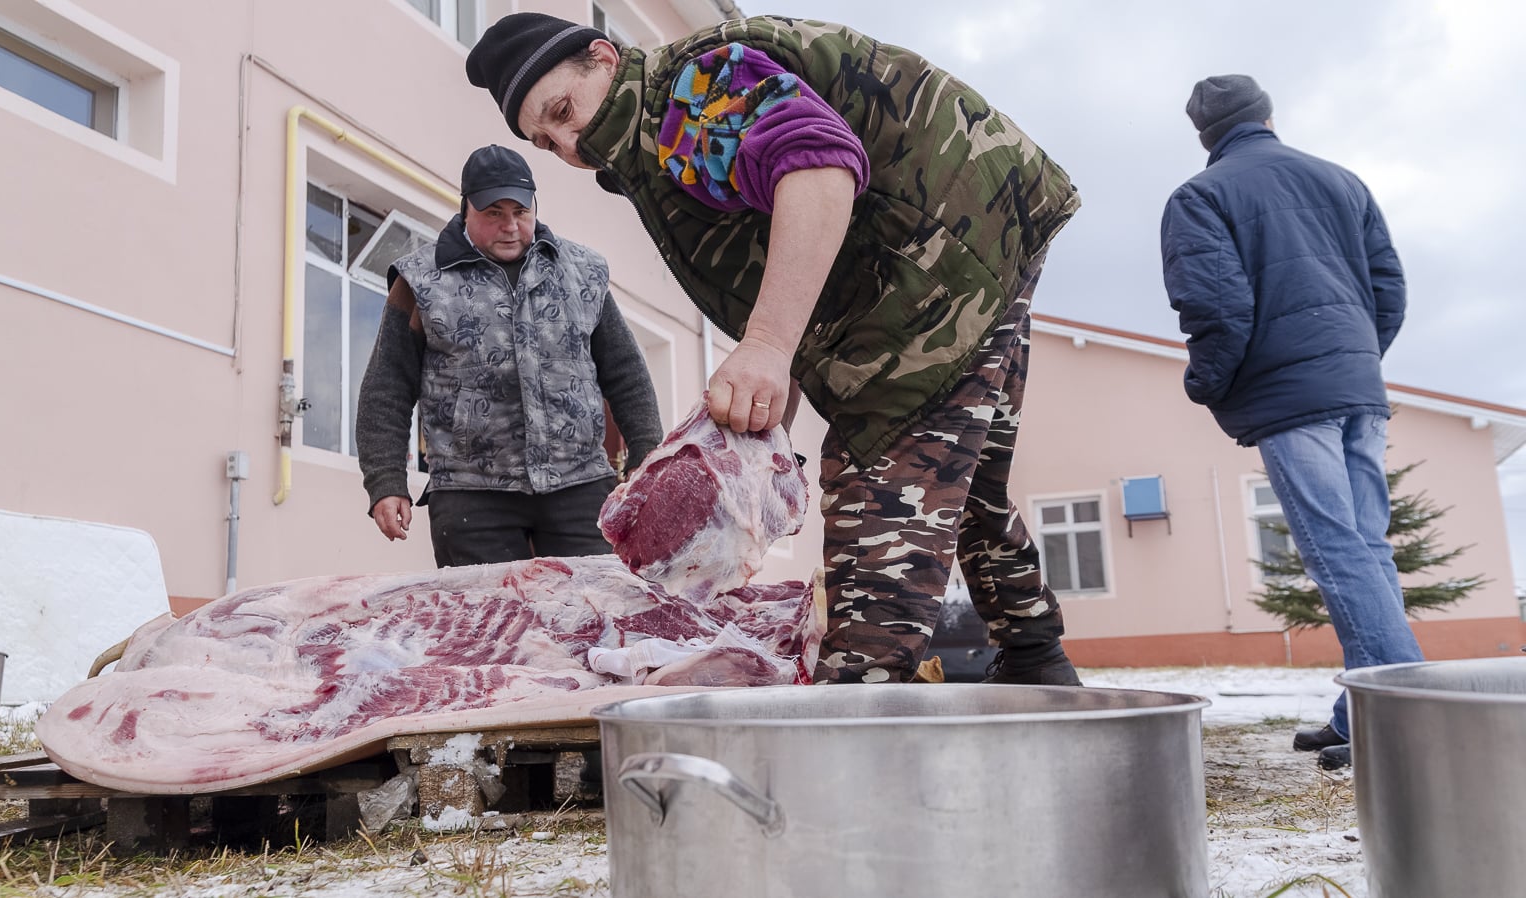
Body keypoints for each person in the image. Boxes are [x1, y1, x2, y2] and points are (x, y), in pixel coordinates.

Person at [465, 14, 1084, 685]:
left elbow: (818, 167)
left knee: (881, 490)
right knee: (964, 482)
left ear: (604, 59)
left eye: (563, 111)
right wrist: (771, 399)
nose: (569, 144)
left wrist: (765, 345)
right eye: (546, 142)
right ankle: (1037, 660)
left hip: (932, 263)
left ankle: (856, 722)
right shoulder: (654, 137)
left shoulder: (689, 93)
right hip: (986, 219)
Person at [1160, 75, 1424, 770]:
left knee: (1339, 552)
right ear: (1268, 116)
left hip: (1291, 397)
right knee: (1366, 548)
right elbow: (1388, 288)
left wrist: (1205, 383)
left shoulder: (1201, 197)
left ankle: (1409, 719)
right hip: (1358, 388)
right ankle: (1358, 710)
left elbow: (1214, 306)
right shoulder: (1341, 180)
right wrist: (1353, 359)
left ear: (1204, 135)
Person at [356, 143, 664, 569]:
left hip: (579, 484)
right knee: (487, 628)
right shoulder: (421, 282)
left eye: (520, 211)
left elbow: (626, 372)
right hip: (471, 494)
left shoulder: (583, 272)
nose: (511, 226)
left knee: (595, 620)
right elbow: (386, 387)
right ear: (466, 209)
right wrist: (386, 481)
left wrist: (647, 457)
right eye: (494, 214)